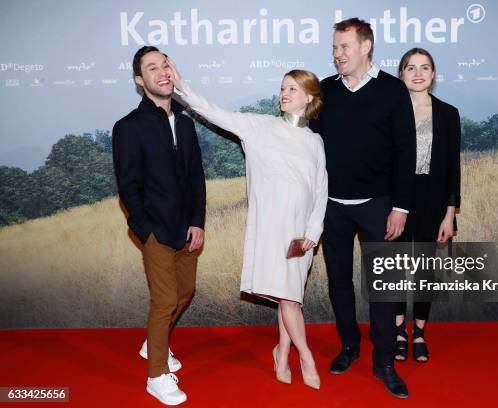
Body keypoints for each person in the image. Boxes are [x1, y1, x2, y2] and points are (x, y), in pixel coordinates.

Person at [166, 59, 328, 390]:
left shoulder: (316, 142)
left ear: (309, 97)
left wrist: (313, 234)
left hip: (302, 235)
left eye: (292, 88)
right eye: (282, 87)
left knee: (290, 297)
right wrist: (182, 87)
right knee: (290, 300)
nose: (284, 93)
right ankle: (306, 357)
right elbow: (213, 112)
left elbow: (322, 191)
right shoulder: (259, 127)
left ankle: (281, 355)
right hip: (272, 231)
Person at [309, 18, 416, 398]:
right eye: (335, 48)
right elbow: (306, 146)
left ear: (366, 47)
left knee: (384, 288)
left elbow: (407, 152)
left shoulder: (392, 90)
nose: (337, 54)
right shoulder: (324, 91)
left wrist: (401, 207)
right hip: (332, 208)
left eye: (344, 47)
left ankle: (385, 362)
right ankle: (349, 347)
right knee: (339, 282)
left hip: (379, 206)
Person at [112, 46, 206, 405]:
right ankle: (156, 376)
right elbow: (128, 187)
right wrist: (145, 230)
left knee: (185, 293)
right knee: (165, 299)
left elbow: (196, 177)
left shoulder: (184, 121)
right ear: (140, 80)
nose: (162, 71)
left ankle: (154, 343)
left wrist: (198, 222)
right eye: (152, 67)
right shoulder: (128, 127)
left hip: (187, 230)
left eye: (165, 64)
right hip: (154, 231)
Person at [393, 48, 461, 364]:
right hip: (394, 201)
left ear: (433, 75)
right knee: (392, 269)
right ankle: (397, 332)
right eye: (410, 67)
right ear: (401, 74)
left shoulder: (448, 114)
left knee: (422, 271)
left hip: (432, 202)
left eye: (425, 67)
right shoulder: (390, 111)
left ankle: (418, 332)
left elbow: (452, 169)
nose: (418, 73)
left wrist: (450, 214)